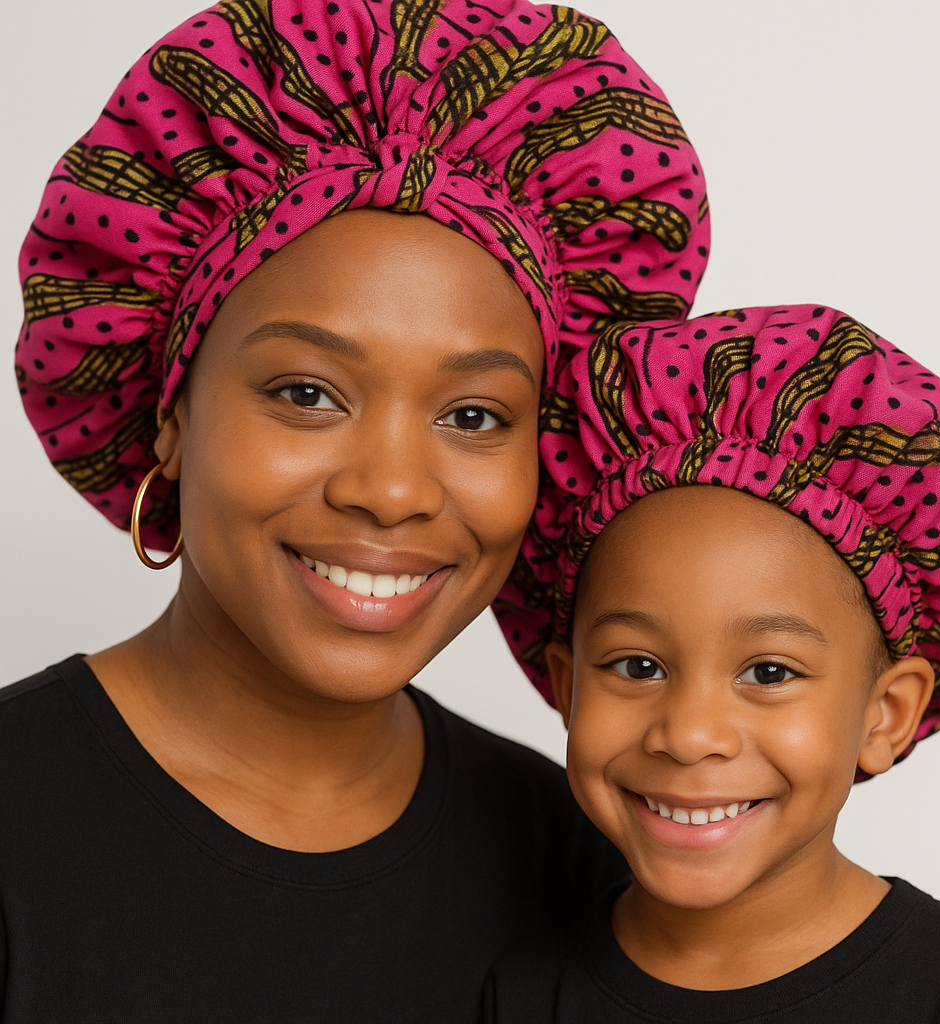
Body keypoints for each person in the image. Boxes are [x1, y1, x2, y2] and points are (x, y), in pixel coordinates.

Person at [2, 1, 711, 1020]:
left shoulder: (593, 869)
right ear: (171, 417)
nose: (391, 490)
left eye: (474, 415)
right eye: (307, 393)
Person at [488, 304, 940, 1022]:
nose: (689, 736)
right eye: (638, 666)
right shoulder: (521, 992)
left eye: (769, 673)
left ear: (885, 714)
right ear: (569, 685)